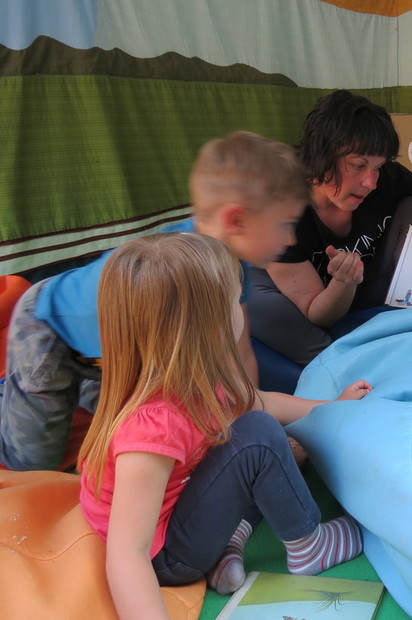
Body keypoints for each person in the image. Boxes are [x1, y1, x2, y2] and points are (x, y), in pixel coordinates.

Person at [78, 233, 370, 620]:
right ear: (207, 324)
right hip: (168, 558)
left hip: (180, 514)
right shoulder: (153, 428)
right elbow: (127, 552)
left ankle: (230, 542)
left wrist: (333, 408)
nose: (242, 308)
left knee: (273, 446)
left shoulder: (197, 378)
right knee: (259, 438)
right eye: (235, 300)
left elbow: (261, 401)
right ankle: (309, 546)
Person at [0, 131, 312, 471]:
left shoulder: (233, 264)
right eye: (285, 225)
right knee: (33, 462)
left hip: (113, 351)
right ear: (235, 220)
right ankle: (12, 394)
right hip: (52, 329)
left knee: (129, 424)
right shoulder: (171, 273)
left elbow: (239, 354)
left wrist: (256, 429)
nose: (290, 239)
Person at [247, 89, 412, 366]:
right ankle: (336, 359)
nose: (371, 182)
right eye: (358, 165)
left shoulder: (387, 179)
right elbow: (317, 313)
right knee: (252, 294)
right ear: (321, 156)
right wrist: (343, 283)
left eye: (377, 167)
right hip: (321, 300)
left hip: (374, 286)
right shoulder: (281, 207)